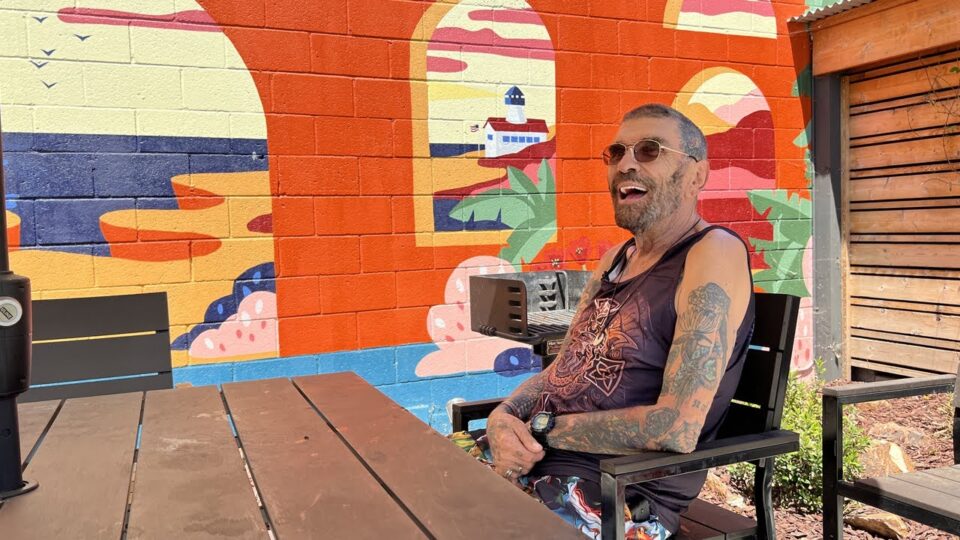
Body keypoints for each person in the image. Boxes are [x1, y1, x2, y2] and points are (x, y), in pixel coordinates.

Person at [451, 103, 755, 539]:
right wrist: (503, 417)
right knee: (407, 478)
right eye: (616, 152)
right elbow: (562, 370)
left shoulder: (713, 252)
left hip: (615, 495)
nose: (625, 164)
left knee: (450, 522)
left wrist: (542, 431)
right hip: (541, 458)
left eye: (649, 150)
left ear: (697, 175)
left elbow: (676, 428)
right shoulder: (616, 259)